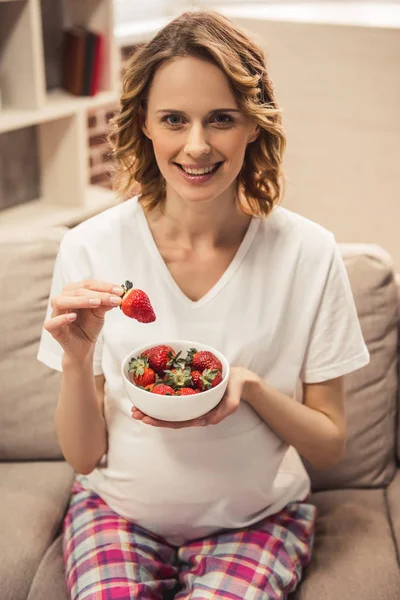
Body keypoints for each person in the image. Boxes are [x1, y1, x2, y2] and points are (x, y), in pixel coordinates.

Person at [37, 9, 370, 600]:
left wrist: (255, 391)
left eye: (221, 119)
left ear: (253, 126)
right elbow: (85, 459)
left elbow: (328, 444)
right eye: (174, 120)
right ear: (144, 124)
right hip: (117, 513)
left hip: (257, 520)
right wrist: (75, 358)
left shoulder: (309, 254)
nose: (196, 146)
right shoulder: (89, 246)